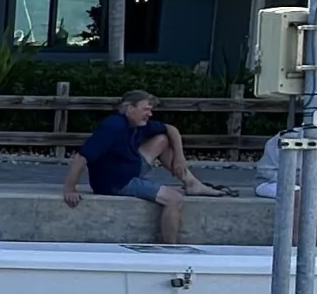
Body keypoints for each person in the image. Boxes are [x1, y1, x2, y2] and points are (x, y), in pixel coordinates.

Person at [61, 89, 225, 242]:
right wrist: (70, 188)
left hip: (130, 167)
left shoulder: (137, 124)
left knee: (162, 140)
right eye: (146, 109)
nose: (150, 114)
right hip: (118, 183)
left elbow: (171, 129)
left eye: (150, 110)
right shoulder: (112, 127)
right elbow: (81, 157)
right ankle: (170, 249)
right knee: (174, 199)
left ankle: (192, 184)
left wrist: (180, 156)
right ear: (130, 108)